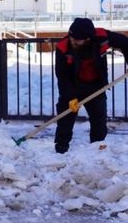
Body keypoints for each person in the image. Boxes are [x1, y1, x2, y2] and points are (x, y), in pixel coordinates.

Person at [53, 17, 128, 153]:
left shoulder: (101, 37)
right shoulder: (63, 47)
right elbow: (62, 76)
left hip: (96, 86)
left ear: (88, 38)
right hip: (73, 86)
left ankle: (97, 152)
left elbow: (125, 43)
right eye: (71, 37)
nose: (72, 41)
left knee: (99, 122)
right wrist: (70, 97)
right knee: (65, 118)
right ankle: (61, 150)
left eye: (76, 39)